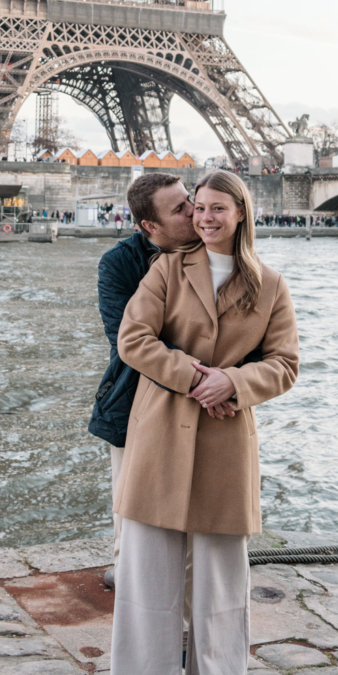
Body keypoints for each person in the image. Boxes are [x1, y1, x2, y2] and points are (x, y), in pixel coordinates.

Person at [110, 169, 299, 675]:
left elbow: (285, 363)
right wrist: (196, 377)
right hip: (162, 433)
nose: (206, 218)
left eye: (219, 208)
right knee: (147, 577)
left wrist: (236, 383)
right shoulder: (167, 269)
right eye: (199, 208)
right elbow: (133, 339)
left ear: (241, 213)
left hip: (223, 439)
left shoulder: (269, 284)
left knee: (220, 585)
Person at [88, 173, 200, 583]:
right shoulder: (118, 262)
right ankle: (128, 575)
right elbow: (126, 341)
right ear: (150, 226)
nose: (194, 210)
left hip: (197, 396)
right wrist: (203, 378)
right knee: (130, 504)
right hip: (135, 397)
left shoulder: (214, 248)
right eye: (181, 208)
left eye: (190, 200)